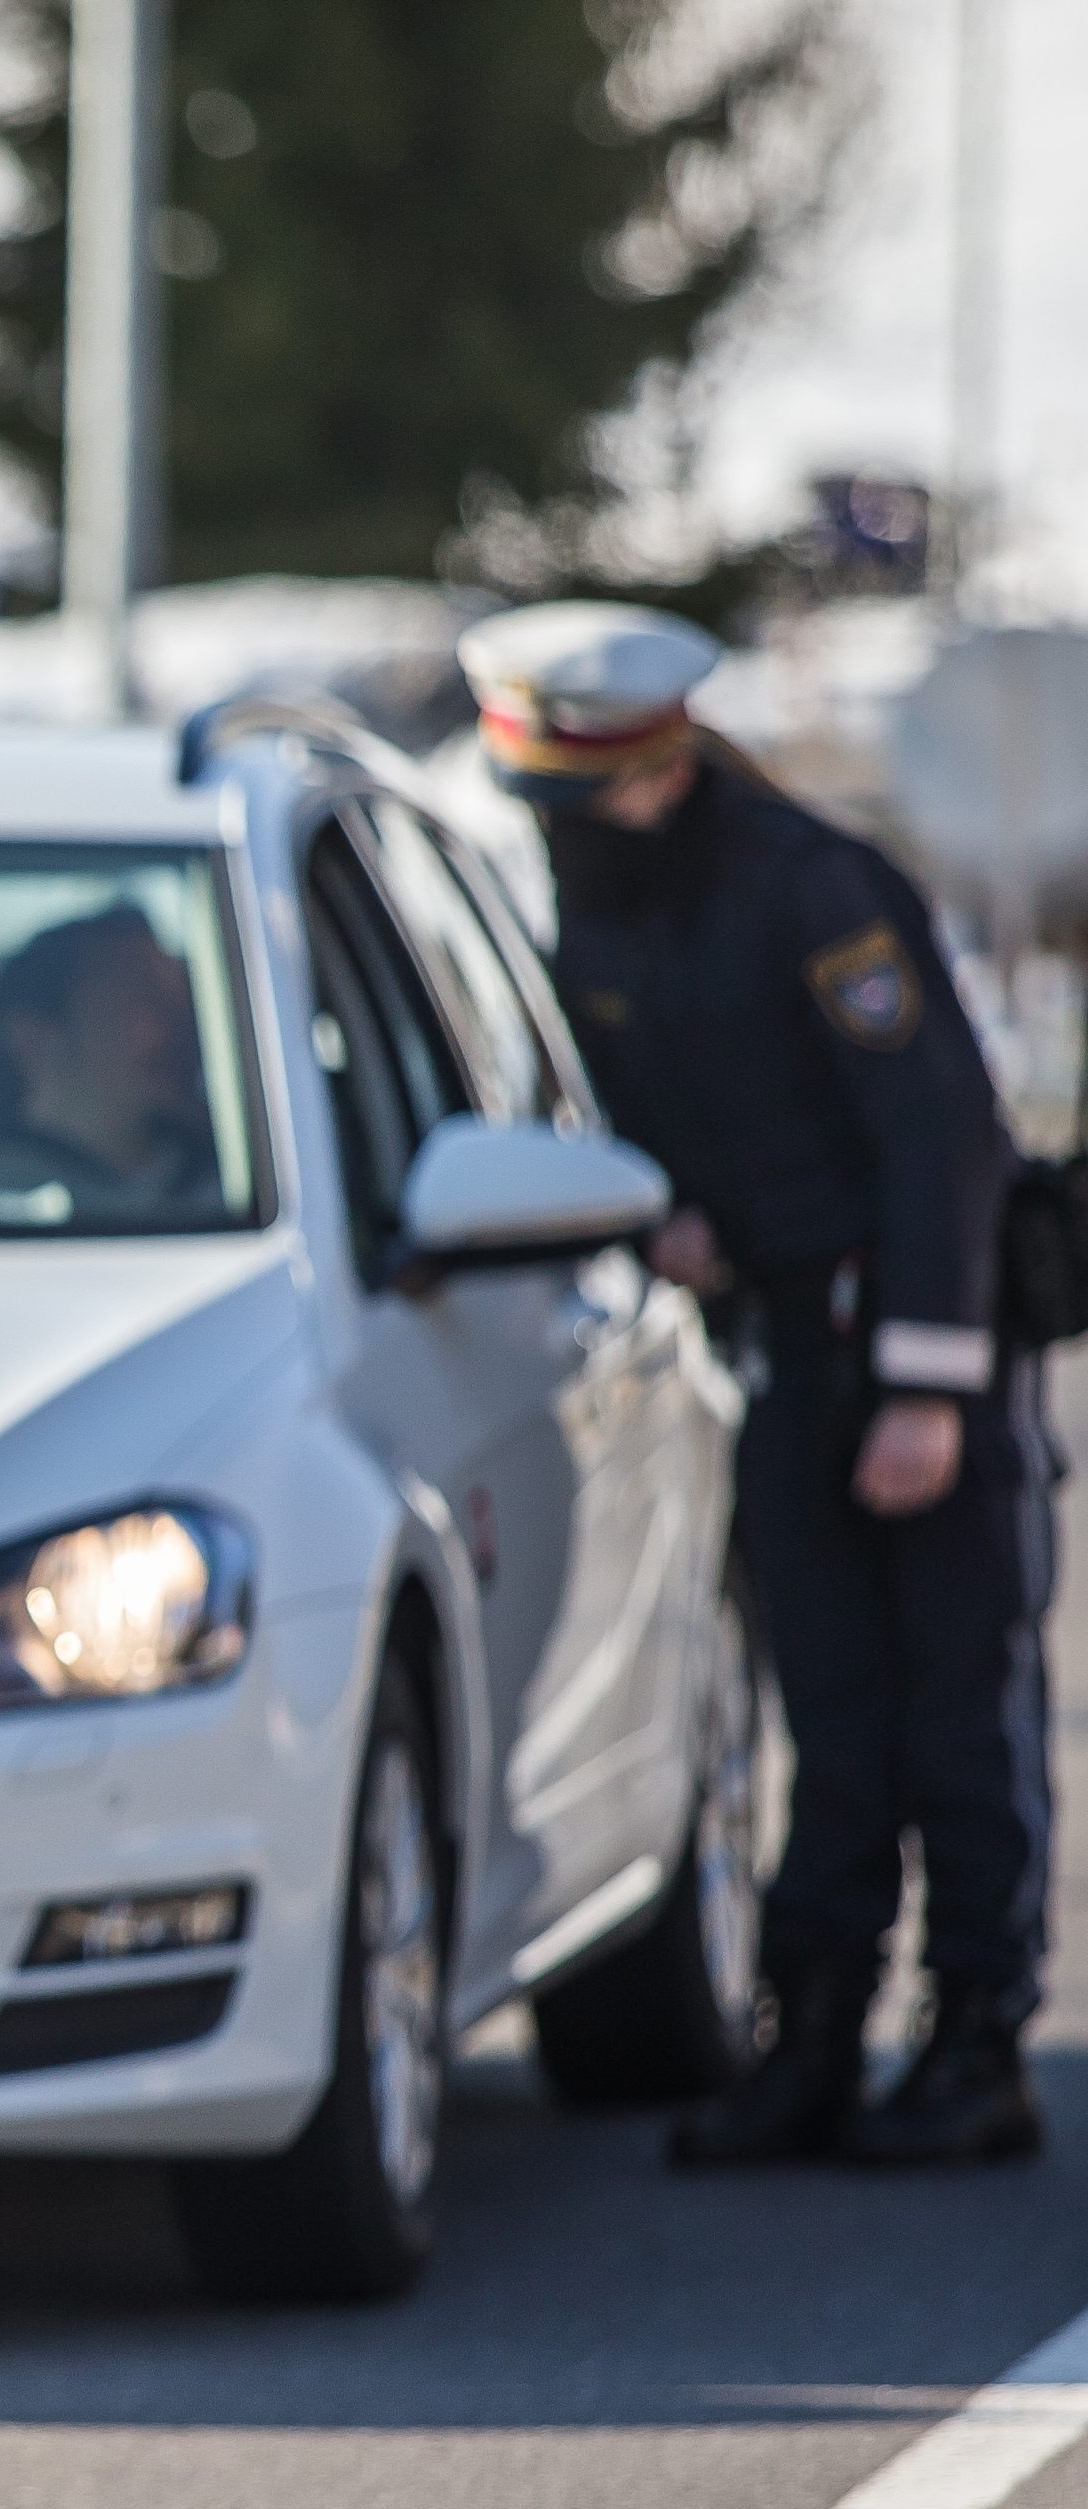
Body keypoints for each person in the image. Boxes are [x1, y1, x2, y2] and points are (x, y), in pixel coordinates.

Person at [458, 600, 1052, 2170]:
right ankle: (814, 2033)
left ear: (657, 766)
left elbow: (941, 1142)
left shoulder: (816, 892)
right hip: (781, 1348)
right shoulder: (609, 899)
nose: (561, 832)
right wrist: (669, 1209)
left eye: (580, 800)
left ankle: (979, 2042)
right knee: (828, 1710)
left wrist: (927, 1386)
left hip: (912, 1345)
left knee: (952, 1717)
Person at [0, 900, 213, 1201]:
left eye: (186, 1000)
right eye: (147, 1000)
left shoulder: (243, 1187)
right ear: (31, 1038)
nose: (187, 1027)